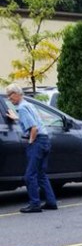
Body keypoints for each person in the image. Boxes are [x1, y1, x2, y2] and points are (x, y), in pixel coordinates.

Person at [5, 84, 58, 213]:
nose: (10, 101)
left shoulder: (22, 108)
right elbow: (34, 121)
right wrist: (16, 118)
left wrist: (30, 142)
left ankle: (35, 204)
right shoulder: (28, 105)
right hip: (45, 140)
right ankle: (51, 202)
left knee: (30, 175)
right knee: (41, 174)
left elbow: (33, 128)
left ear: (17, 94)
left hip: (37, 141)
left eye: (11, 97)